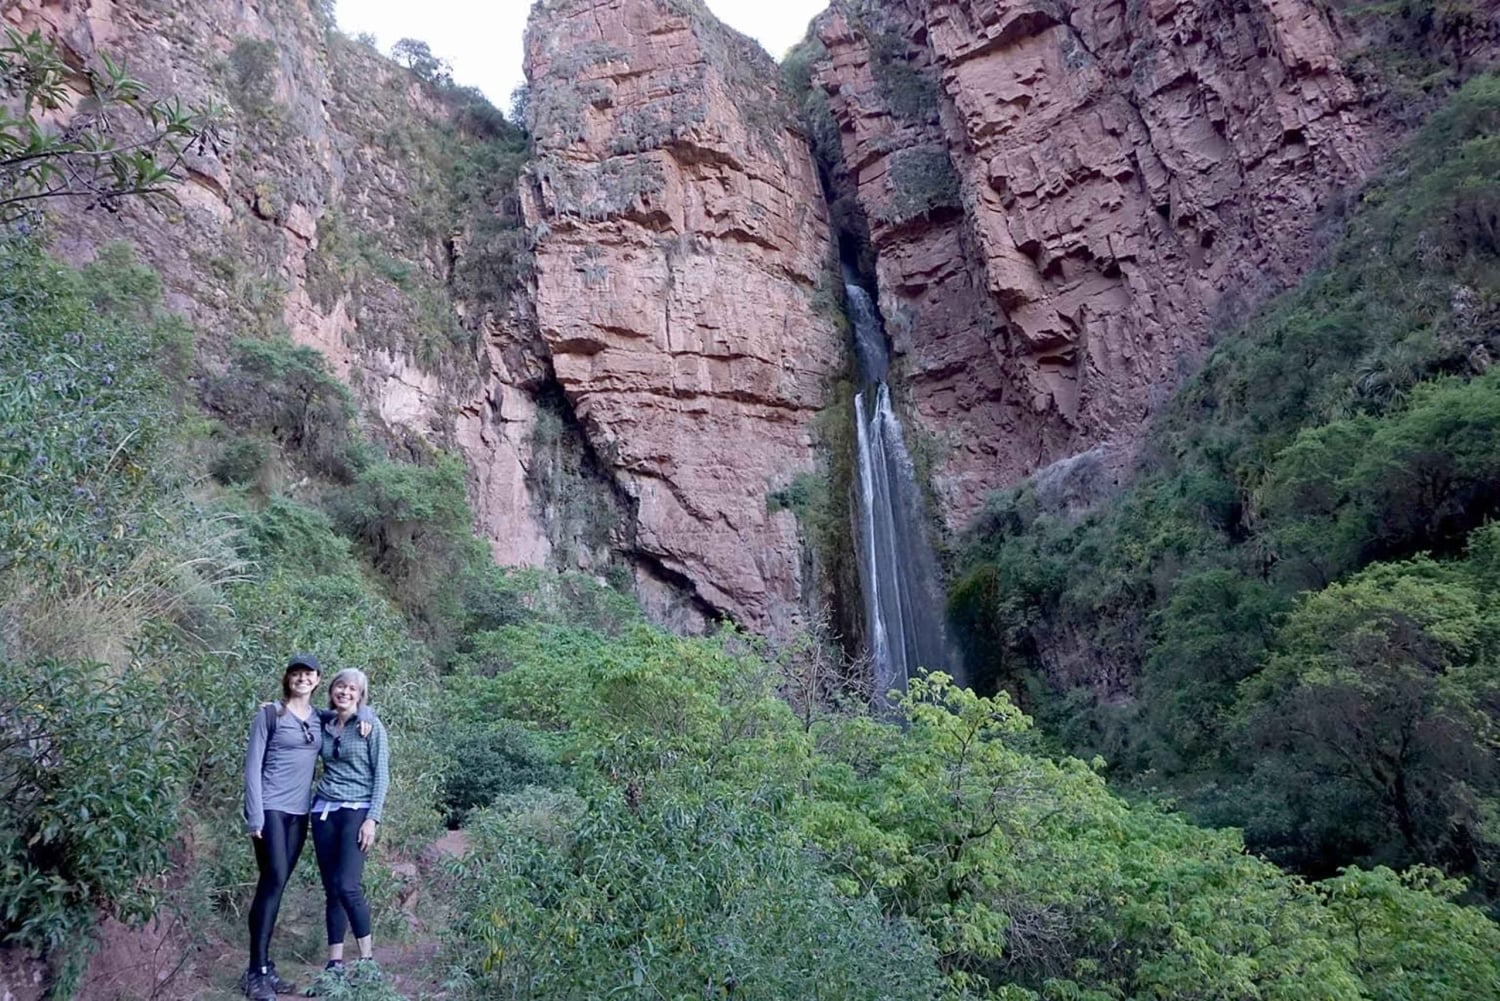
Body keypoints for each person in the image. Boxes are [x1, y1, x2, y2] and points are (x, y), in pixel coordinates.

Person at [240, 655, 371, 1001]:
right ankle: (256, 972)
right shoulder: (270, 714)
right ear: (288, 679)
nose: (302, 679)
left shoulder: (319, 718)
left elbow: (352, 710)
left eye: (308, 674)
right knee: (272, 879)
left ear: (317, 681)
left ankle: (265, 966)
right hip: (270, 808)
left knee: (277, 884)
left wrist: (368, 716)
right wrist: (254, 815)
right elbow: (252, 765)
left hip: (300, 812)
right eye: (296, 674)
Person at [309, 667, 390, 982]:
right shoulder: (325, 722)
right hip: (324, 811)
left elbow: (381, 775)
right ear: (331, 690)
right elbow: (300, 707)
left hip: (357, 810)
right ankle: (335, 963)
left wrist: (373, 819)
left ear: (361, 695)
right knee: (332, 888)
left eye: (352, 689)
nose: (345, 692)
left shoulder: (370, 726)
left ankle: (367, 961)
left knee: (348, 885)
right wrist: (275, 708)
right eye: (340, 686)